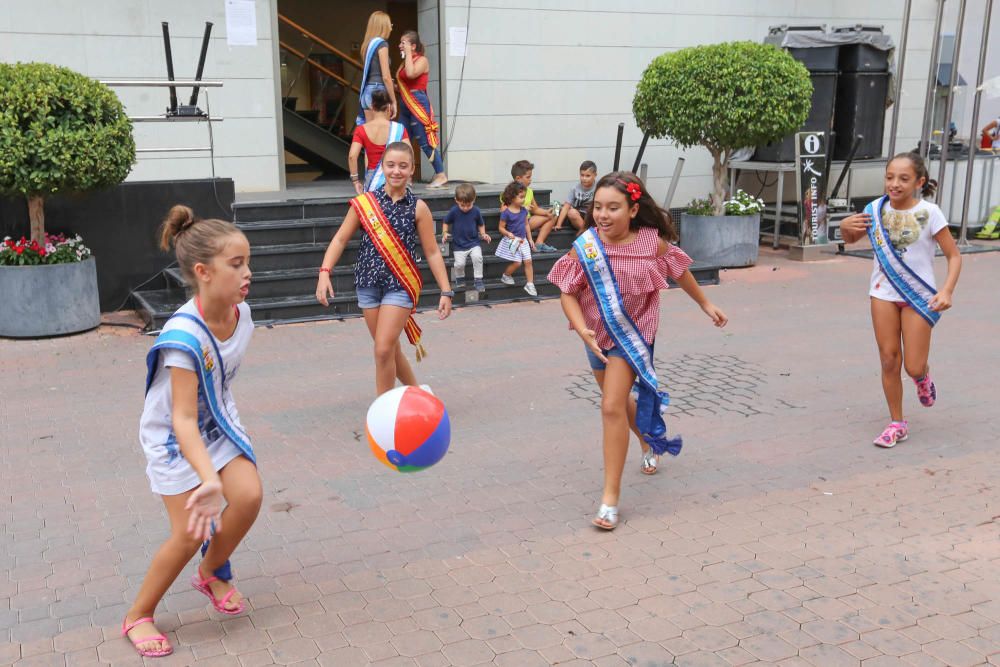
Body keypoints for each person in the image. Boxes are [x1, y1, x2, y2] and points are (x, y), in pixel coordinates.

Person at [548, 172, 727, 530]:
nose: (602, 214)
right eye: (597, 207)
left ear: (632, 209)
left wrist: (705, 304)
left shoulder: (649, 242)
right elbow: (567, 290)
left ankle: (610, 499)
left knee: (611, 405)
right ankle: (649, 441)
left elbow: (680, 270)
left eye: (613, 207)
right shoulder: (586, 245)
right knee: (619, 405)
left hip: (634, 336)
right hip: (596, 339)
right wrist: (581, 328)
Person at [123, 206, 260, 657]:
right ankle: (138, 615)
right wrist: (209, 477)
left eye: (247, 262)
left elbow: (216, 392)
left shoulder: (243, 314)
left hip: (216, 421)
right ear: (202, 272)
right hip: (173, 438)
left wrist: (220, 475)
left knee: (250, 496)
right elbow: (181, 418)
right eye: (235, 264)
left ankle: (213, 570)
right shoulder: (184, 337)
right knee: (186, 534)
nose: (247, 273)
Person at [840, 152, 962, 448]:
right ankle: (897, 423)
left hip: (918, 297)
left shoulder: (931, 213)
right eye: (889, 177)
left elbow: (954, 256)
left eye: (903, 179)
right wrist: (845, 226)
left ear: (919, 182)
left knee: (913, 366)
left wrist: (946, 291)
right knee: (888, 359)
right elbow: (849, 241)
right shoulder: (874, 208)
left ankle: (923, 378)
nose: (894, 184)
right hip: (882, 293)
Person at [315, 142, 453, 395]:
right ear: (382, 167)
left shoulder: (418, 208)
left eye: (403, 166)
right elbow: (340, 239)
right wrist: (325, 272)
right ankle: (418, 394)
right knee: (389, 348)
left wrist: (446, 290)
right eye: (390, 165)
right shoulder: (365, 203)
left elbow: (432, 251)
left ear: (412, 170)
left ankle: (384, 409)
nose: (396, 171)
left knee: (382, 349)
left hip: (400, 285)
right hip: (367, 284)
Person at [397, 30, 448, 189]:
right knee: (402, 141)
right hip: (405, 103)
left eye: (403, 43)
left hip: (418, 102)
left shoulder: (422, 60)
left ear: (413, 46)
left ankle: (440, 174)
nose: (399, 45)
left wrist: (408, 56)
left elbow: (411, 74)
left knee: (424, 141)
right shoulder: (406, 61)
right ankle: (407, 177)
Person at [349, 89, 409, 194]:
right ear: (389, 107)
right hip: (395, 176)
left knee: (375, 209)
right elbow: (409, 153)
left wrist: (355, 181)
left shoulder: (361, 130)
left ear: (372, 106)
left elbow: (352, 156)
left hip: (373, 179)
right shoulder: (399, 128)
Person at [441, 183, 491, 291]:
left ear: (474, 199)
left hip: (474, 243)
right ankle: (460, 278)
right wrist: (445, 233)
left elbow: (480, 224)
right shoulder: (454, 211)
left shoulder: (476, 211)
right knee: (459, 264)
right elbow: (446, 221)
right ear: (456, 200)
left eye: (469, 205)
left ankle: (478, 279)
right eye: (462, 205)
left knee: (478, 258)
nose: (465, 208)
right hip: (459, 244)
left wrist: (483, 234)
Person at [501, 160, 559, 252]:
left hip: (527, 221)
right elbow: (504, 210)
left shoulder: (529, 191)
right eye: (528, 177)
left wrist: (546, 212)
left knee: (553, 215)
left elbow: (535, 209)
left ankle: (539, 243)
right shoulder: (510, 192)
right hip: (516, 223)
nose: (530, 179)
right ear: (518, 178)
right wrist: (522, 208)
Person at [495, 181, 537, 296]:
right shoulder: (506, 212)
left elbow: (526, 224)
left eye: (524, 196)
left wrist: (530, 239)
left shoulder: (524, 211)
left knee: (528, 261)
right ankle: (506, 275)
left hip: (523, 241)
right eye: (521, 197)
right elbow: (501, 228)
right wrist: (508, 233)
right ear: (512, 197)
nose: (523, 199)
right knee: (518, 263)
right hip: (513, 241)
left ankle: (530, 284)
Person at [356, 11, 397, 127]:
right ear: (383, 26)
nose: (391, 28)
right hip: (378, 91)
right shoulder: (382, 44)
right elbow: (386, 76)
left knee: (370, 137)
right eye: (390, 24)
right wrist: (394, 101)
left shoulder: (367, 45)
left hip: (367, 92)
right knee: (381, 136)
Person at [555, 160, 598, 232]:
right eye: (582, 175)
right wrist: (559, 224)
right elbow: (566, 207)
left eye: (588, 176)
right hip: (578, 216)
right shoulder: (575, 189)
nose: (584, 178)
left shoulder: (599, 187)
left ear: (595, 175)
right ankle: (587, 234)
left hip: (592, 216)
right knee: (571, 212)